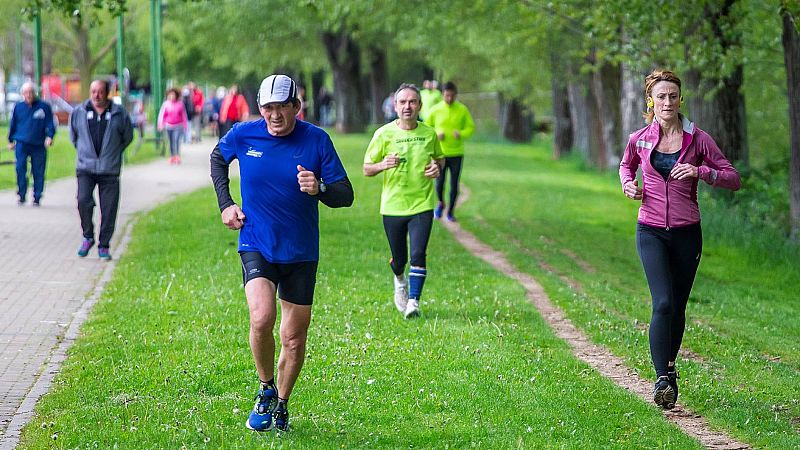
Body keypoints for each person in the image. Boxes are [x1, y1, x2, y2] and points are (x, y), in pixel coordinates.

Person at [210, 74, 353, 432]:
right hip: (256, 242)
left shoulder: (317, 140)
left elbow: (345, 193)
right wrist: (226, 204)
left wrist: (319, 187)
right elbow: (217, 158)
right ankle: (265, 387)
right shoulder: (245, 134)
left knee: (293, 336)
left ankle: (283, 402)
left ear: (296, 107)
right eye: (267, 108)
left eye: (281, 108)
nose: (274, 115)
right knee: (261, 318)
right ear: (260, 108)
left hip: (301, 251)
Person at [619, 69, 740, 410]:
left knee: (679, 306)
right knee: (663, 303)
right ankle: (661, 378)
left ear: (680, 99)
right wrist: (628, 185)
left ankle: (670, 373)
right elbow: (626, 166)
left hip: (688, 233)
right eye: (661, 96)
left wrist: (702, 171)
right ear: (651, 101)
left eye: (673, 95)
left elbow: (733, 178)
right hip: (651, 229)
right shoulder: (639, 138)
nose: (667, 101)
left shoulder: (698, 139)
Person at [363, 83, 444, 318]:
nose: (407, 106)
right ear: (395, 106)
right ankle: (399, 280)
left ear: (419, 105)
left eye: (412, 102)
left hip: (422, 203)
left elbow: (440, 160)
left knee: (418, 254)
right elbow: (367, 169)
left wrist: (436, 168)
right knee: (400, 259)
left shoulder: (428, 134)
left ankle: (414, 302)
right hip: (393, 205)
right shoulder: (383, 134)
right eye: (403, 102)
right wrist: (383, 164)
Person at [69, 79, 134, 260]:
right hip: (85, 167)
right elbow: (74, 136)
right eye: (93, 91)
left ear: (107, 93)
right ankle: (87, 235)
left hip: (109, 169)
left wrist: (112, 152)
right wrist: (85, 152)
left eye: (100, 92)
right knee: (83, 201)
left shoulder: (119, 114)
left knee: (109, 209)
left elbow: (127, 137)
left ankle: (104, 244)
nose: (96, 96)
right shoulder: (79, 112)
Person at [424, 81, 475, 221]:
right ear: (443, 95)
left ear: (456, 95)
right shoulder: (435, 109)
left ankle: (451, 212)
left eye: (452, 96)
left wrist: (461, 133)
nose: (449, 99)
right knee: (439, 183)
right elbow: (426, 127)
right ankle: (441, 203)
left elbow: (470, 127)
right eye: (447, 96)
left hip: (457, 153)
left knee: (454, 183)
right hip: (440, 153)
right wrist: (436, 133)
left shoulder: (462, 110)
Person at [8, 81, 55, 206]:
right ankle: (22, 194)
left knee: (38, 170)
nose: (29, 95)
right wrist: (10, 140)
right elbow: (13, 124)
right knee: (20, 168)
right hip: (22, 143)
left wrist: (49, 136)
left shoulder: (44, 107)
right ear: (23, 94)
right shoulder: (18, 107)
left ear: (35, 93)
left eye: (31, 92)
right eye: (26, 93)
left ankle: (37, 196)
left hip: (38, 144)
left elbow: (50, 123)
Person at [157, 87, 189, 164]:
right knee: (171, 141)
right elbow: (162, 115)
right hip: (169, 126)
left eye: (173, 95)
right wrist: (160, 124)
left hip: (178, 126)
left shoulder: (180, 104)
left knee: (176, 140)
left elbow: (184, 115)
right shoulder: (166, 104)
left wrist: (186, 126)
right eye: (170, 95)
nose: (171, 96)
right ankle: (172, 156)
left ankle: (177, 156)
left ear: (176, 96)